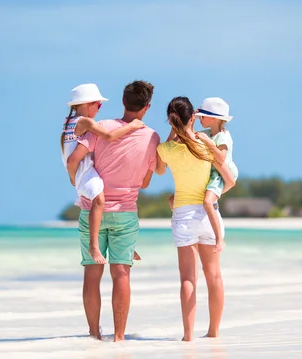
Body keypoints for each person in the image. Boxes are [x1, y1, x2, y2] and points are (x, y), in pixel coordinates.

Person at [67, 80, 160, 341]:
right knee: (121, 273)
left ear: (123, 102)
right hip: (126, 213)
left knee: (92, 273)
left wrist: (76, 183)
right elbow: (145, 182)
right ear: (147, 107)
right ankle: (119, 337)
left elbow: (75, 160)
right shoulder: (152, 136)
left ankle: (94, 334)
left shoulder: (101, 127)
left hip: (92, 209)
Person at [155, 96, 236, 341]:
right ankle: (213, 332)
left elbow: (159, 171)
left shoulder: (165, 148)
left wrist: (171, 135)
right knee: (215, 277)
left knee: (188, 279)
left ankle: (188, 335)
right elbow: (228, 177)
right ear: (193, 118)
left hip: (183, 215)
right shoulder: (206, 145)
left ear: (171, 121)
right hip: (208, 214)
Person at [61, 83, 144, 264]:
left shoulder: (69, 121)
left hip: (81, 170)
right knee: (100, 200)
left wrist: (72, 176)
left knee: (105, 190)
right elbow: (109, 136)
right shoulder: (85, 122)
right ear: (88, 104)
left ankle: (124, 245)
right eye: (98, 105)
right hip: (82, 170)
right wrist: (132, 126)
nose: (99, 110)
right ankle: (94, 245)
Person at [168, 97, 237, 254]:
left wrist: (209, 143)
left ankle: (219, 239)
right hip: (208, 173)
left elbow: (221, 159)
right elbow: (185, 137)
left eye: (202, 117)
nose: (199, 120)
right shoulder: (207, 133)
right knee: (172, 199)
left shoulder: (223, 136)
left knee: (207, 202)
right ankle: (184, 222)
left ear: (213, 118)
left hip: (218, 175)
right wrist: (184, 123)